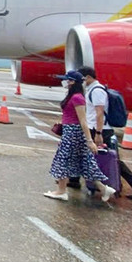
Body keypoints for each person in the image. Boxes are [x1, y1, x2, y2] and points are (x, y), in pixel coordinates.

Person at [74, 66, 132, 199]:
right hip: (96, 128)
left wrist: (98, 133)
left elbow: (99, 114)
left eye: (81, 78)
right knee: (103, 158)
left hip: (101, 130)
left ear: (89, 78)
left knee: (111, 159)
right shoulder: (91, 90)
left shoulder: (97, 91)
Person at [43, 71, 117, 202]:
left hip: (73, 133)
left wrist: (90, 140)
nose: (64, 82)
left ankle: (61, 191)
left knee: (63, 160)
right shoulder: (73, 96)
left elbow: (83, 120)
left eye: (66, 80)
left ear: (72, 82)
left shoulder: (77, 97)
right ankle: (104, 188)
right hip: (71, 130)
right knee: (85, 163)